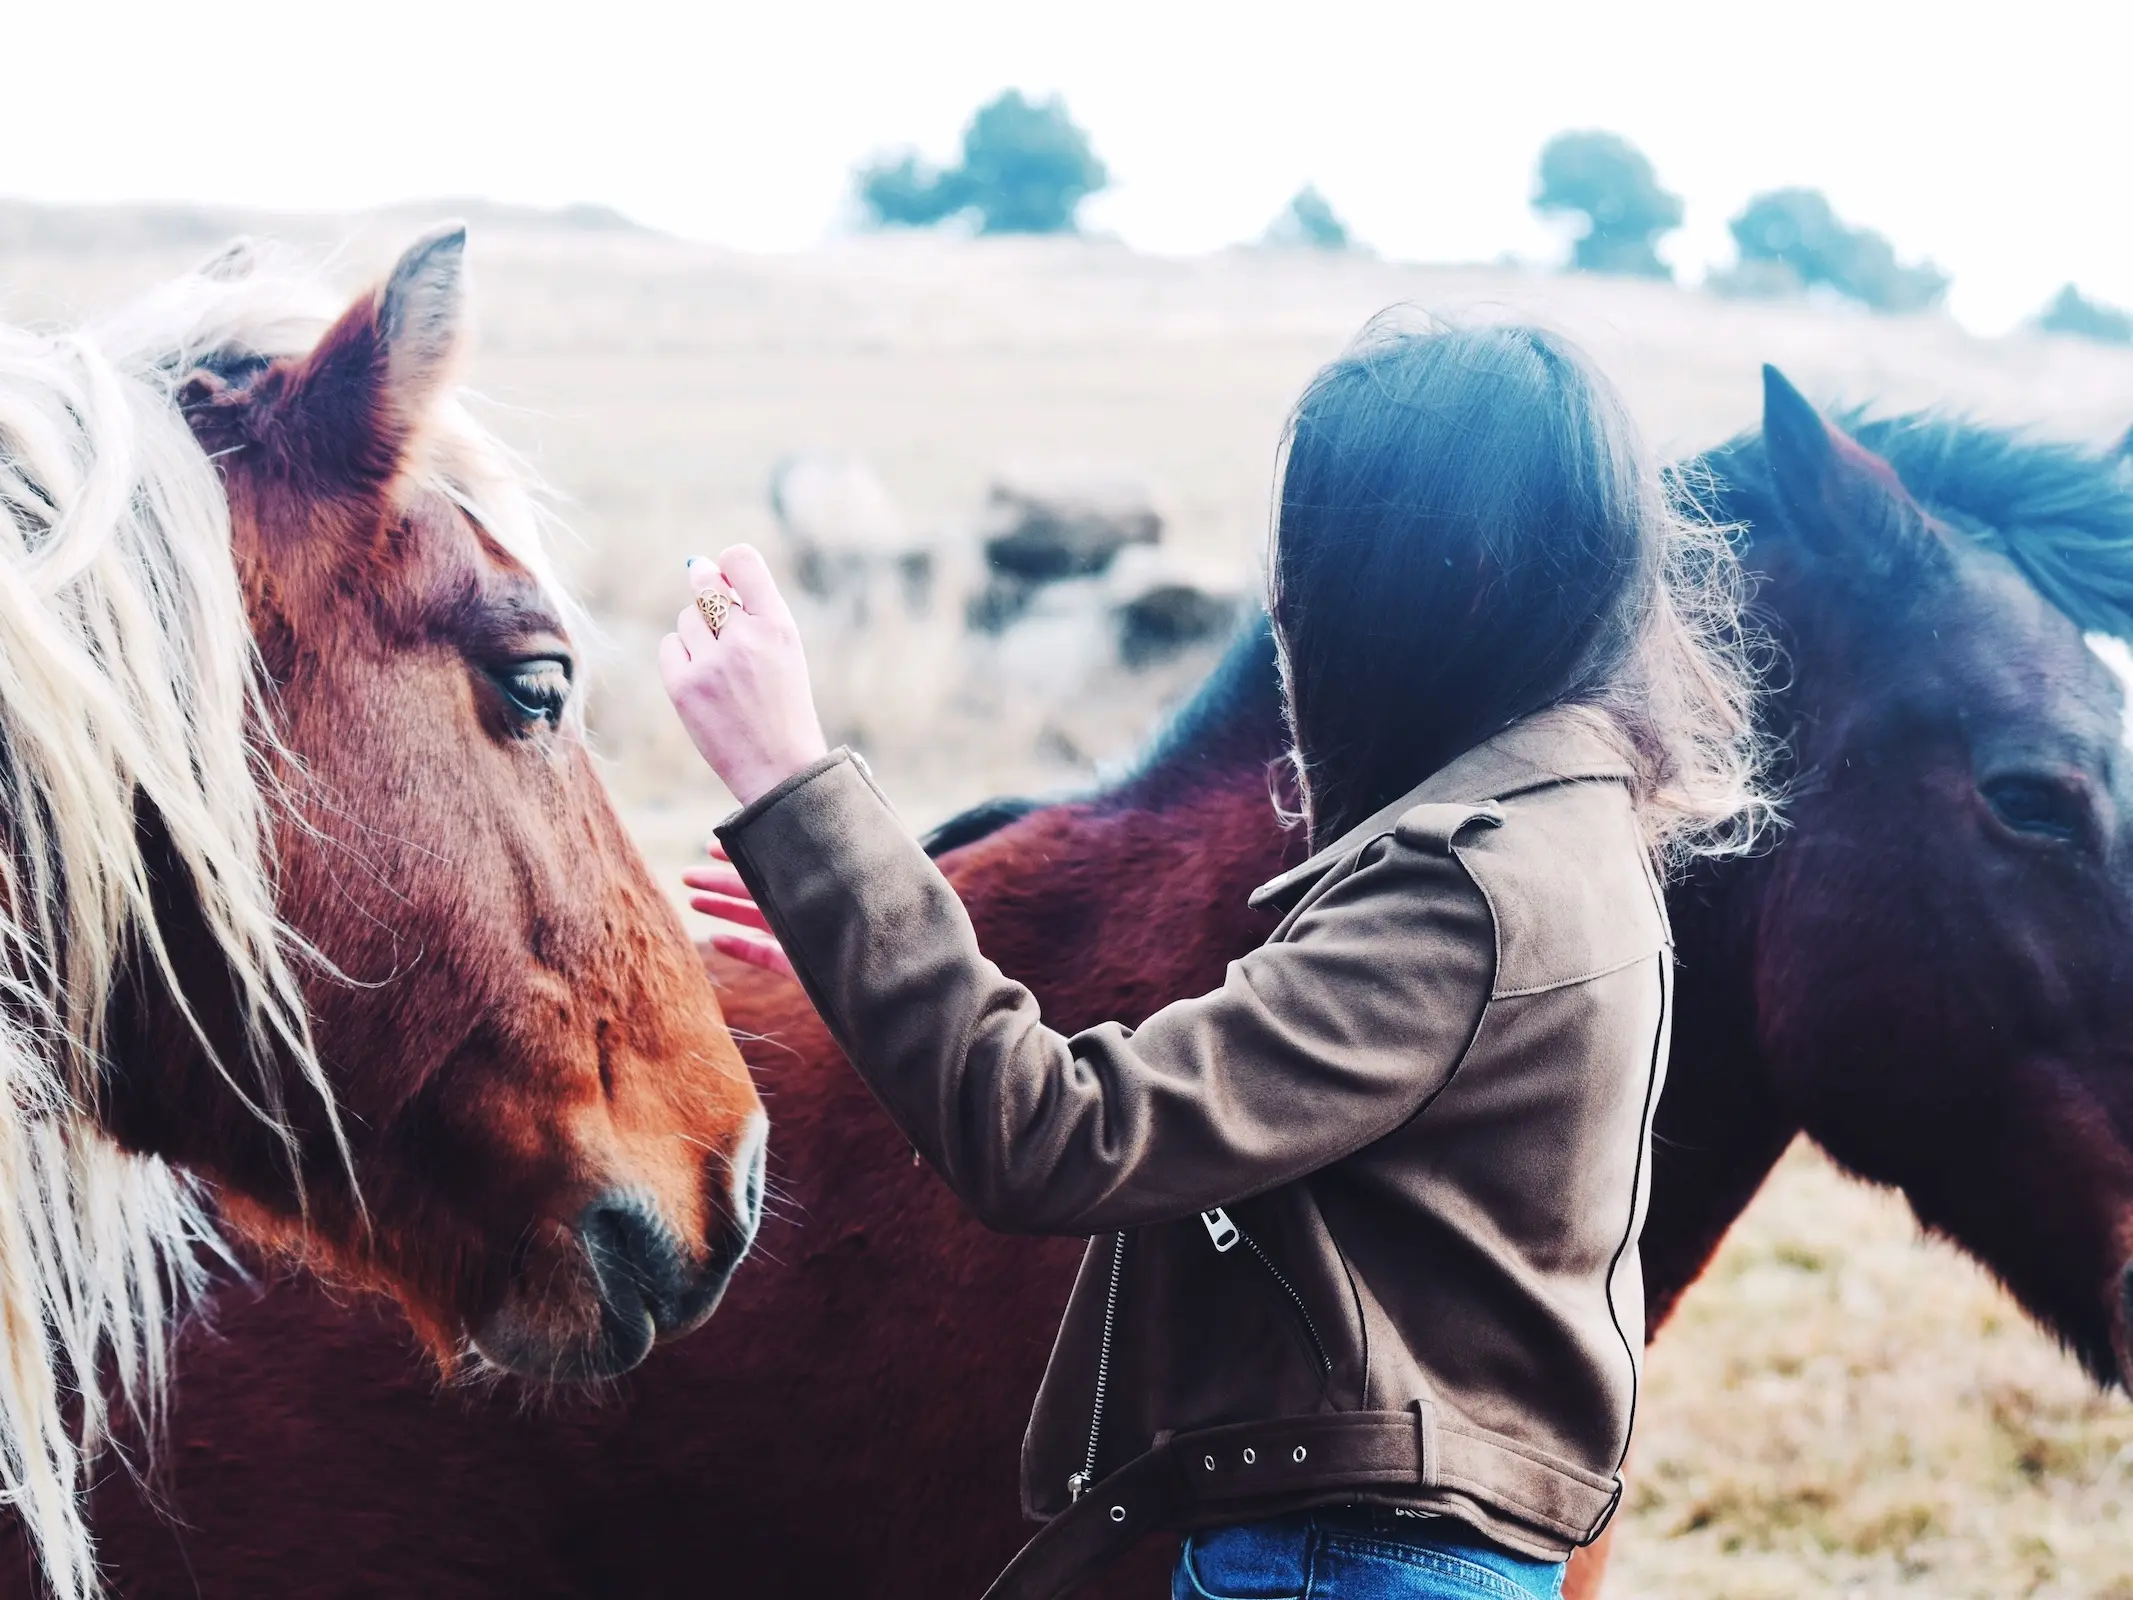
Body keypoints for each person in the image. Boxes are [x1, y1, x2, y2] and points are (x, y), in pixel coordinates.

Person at [658, 321, 1770, 1600]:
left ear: (1420, 591)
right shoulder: (1574, 832)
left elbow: (1055, 1134)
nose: (1286, 610)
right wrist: (839, 905)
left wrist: (792, 783)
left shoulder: (1461, 893)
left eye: (1313, 562)